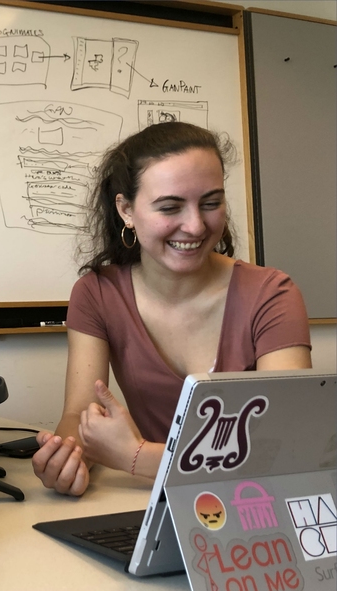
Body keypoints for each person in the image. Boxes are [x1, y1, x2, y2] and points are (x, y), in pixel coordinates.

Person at [32, 121, 311, 497]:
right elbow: (79, 414)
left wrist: (135, 456)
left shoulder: (273, 294)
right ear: (126, 210)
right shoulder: (96, 293)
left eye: (211, 203)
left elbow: (286, 448)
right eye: (170, 207)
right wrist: (68, 457)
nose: (195, 225)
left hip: (254, 505)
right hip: (151, 502)